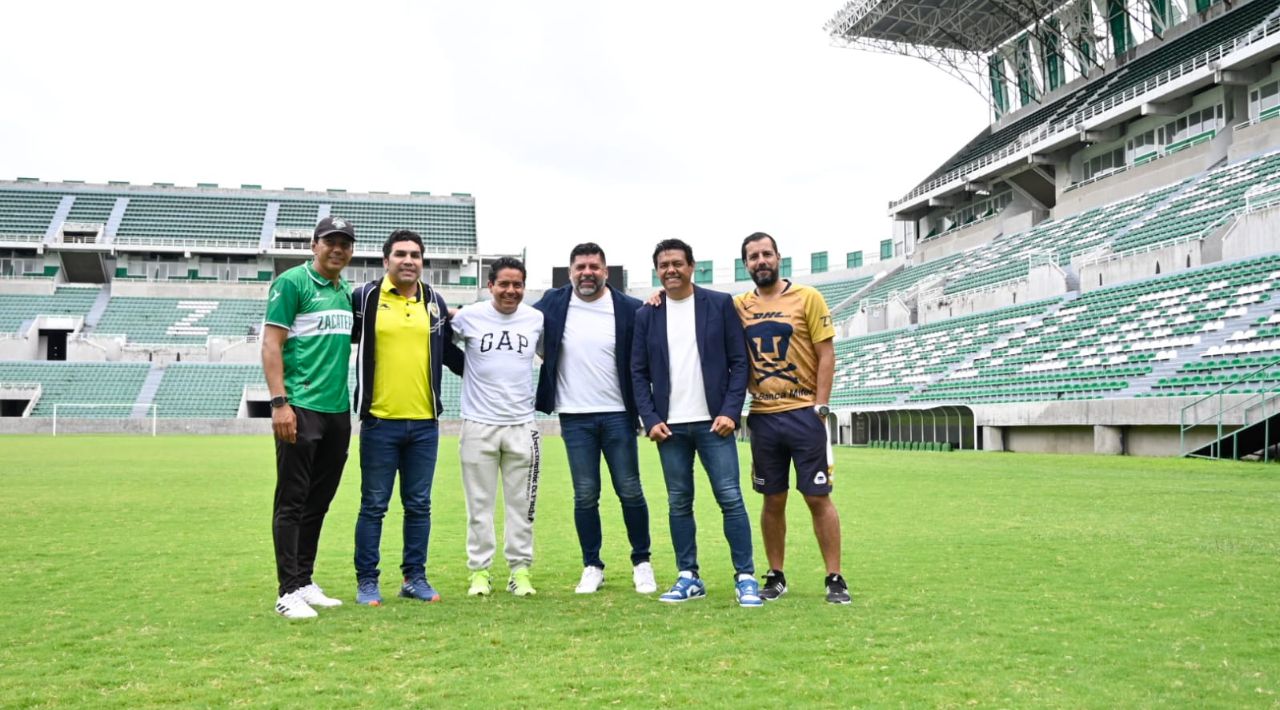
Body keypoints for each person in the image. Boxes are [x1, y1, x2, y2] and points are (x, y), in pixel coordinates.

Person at [631, 238, 761, 608]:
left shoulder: (719, 305)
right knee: (678, 503)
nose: (670, 269)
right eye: (663, 265)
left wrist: (730, 412)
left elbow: (740, 363)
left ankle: (746, 576)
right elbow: (638, 372)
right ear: (657, 271)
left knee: (731, 499)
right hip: (669, 428)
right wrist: (650, 418)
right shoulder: (647, 314)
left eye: (677, 263)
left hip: (714, 424)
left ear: (692, 266)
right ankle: (689, 576)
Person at [350, 230, 465, 606]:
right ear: (386, 261)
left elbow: (449, 352)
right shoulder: (365, 298)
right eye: (400, 254)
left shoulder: (433, 301)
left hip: (425, 425)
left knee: (419, 505)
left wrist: (492, 370)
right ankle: (367, 580)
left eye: (415, 254)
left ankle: (414, 577)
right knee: (374, 505)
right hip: (380, 423)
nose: (408, 260)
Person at [533, 243, 656, 595]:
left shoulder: (629, 308)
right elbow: (517, 317)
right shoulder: (553, 304)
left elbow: (654, 332)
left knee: (630, 490)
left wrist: (660, 298)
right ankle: (592, 565)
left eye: (594, 266)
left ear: (605, 271)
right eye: (580, 267)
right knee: (585, 494)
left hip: (618, 413)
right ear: (570, 271)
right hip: (575, 417)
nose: (587, 272)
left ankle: (642, 562)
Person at [735, 232, 849, 604]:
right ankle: (776, 574)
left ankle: (834, 576)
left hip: (803, 414)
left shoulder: (808, 298)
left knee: (818, 497)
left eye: (766, 254)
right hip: (764, 417)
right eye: (753, 257)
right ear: (746, 264)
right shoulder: (739, 305)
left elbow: (826, 354)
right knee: (772, 499)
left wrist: (821, 405)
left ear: (778, 257)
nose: (760, 261)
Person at [261, 215, 356, 619]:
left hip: (337, 411)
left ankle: (304, 579)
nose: (337, 249)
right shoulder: (292, 283)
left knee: (319, 500)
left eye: (345, 244)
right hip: (300, 406)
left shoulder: (345, 290)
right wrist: (279, 402)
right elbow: (271, 343)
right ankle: (287, 591)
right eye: (330, 242)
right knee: (292, 500)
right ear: (314, 245)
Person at [450, 256, 545, 597]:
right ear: (490, 285)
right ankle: (480, 572)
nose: (510, 291)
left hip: (523, 425)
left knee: (523, 506)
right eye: (503, 284)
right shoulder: (469, 317)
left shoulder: (535, 319)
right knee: (479, 506)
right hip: (478, 424)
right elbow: (442, 345)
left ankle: (519, 571)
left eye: (517, 284)